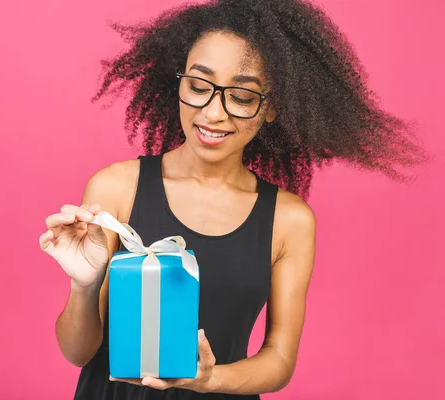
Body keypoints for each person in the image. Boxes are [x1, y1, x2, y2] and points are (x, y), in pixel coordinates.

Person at [39, 0, 426, 398]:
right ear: (179, 83)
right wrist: (84, 286)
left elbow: (278, 359)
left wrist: (210, 380)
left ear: (271, 107)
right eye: (199, 86)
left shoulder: (289, 220)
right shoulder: (117, 188)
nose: (213, 112)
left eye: (240, 96)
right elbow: (78, 351)